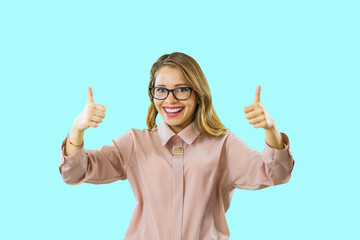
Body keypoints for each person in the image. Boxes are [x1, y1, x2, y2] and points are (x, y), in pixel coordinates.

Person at [59, 52, 295, 240]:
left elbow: (275, 173)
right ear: (152, 94)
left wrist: (270, 130)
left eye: (181, 89)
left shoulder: (222, 145)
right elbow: (76, 172)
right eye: (161, 90)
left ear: (198, 94)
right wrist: (77, 130)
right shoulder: (135, 142)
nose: (169, 100)